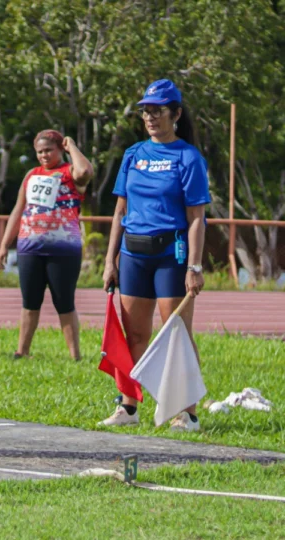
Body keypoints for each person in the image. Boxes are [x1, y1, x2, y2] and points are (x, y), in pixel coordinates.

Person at [100, 79, 210, 432]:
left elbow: (197, 218)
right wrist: (109, 259)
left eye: (157, 110)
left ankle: (186, 412)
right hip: (133, 252)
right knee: (134, 333)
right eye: (146, 110)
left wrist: (194, 266)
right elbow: (119, 211)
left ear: (175, 114)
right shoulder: (133, 154)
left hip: (171, 254)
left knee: (175, 332)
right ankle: (128, 407)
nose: (150, 116)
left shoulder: (188, 157)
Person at [0, 130, 94, 360]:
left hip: (64, 249)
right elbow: (18, 210)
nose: (44, 155)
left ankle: (75, 355)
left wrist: (74, 148)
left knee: (64, 302)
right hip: (30, 247)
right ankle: (22, 351)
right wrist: (4, 245)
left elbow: (86, 171)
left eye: (49, 150)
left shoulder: (70, 173)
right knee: (30, 301)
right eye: (39, 152)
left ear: (61, 149)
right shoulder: (31, 175)